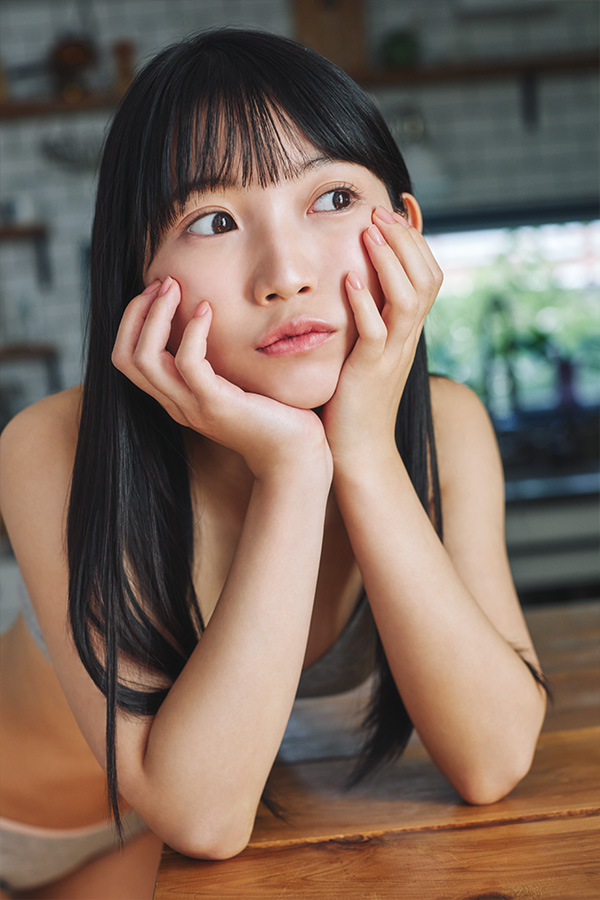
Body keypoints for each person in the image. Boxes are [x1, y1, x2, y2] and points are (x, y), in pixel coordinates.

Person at [0, 28, 547, 899]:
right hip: (29, 837)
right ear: (137, 277)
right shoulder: (51, 445)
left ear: (405, 230)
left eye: (330, 197)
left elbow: (492, 758)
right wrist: (294, 470)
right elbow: (203, 817)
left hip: (182, 845)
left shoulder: (446, 425)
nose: (284, 273)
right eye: (212, 221)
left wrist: (360, 450)